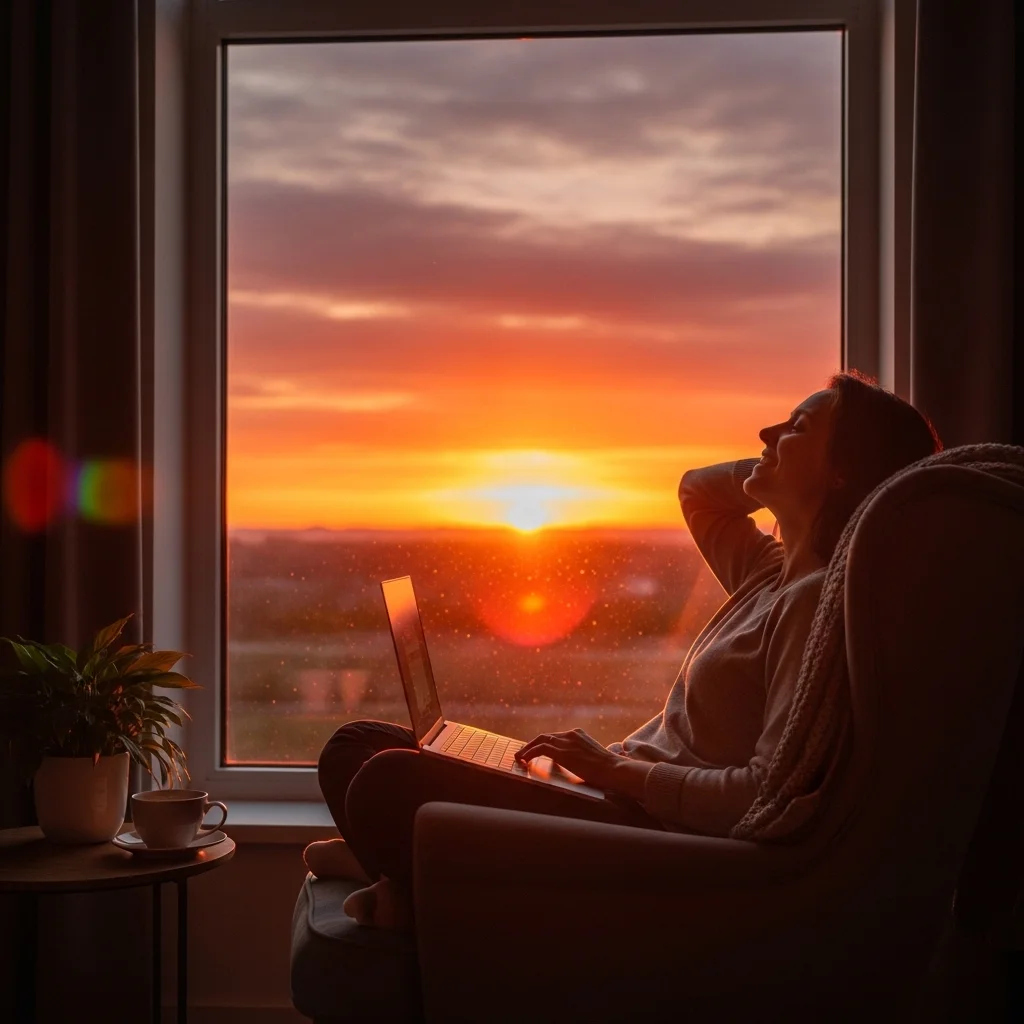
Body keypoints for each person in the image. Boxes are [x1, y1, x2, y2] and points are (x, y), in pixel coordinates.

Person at [305, 370, 942, 928]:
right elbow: (696, 490)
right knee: (355, 744)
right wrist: (780, 467)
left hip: (642, 828)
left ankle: (402, 884)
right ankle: (396, 871)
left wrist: (615, 773)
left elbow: (758, 796)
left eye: (796, 428)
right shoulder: (767, 569)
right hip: (609, 793)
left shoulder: (812, 607)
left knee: (388, 778)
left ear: (841, 471)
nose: (765, 432)